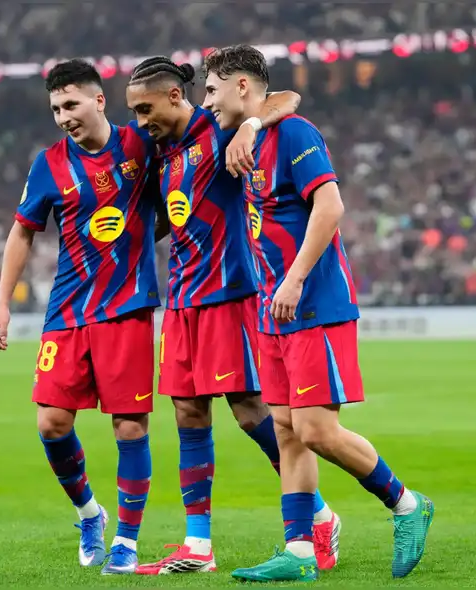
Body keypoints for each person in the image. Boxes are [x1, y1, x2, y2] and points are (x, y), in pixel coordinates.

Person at [201, 44, 434, 582]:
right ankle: (300, 551)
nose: (205, 100)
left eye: (212, 89)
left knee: (315, 430)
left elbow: (330, 207)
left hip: (313, 302)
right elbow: (269, 101)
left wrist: (295, 277)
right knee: (284, 428)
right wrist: (250, 123)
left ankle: (406, 504)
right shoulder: (239, 136)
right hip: (271, 309)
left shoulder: (297, 133)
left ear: (241, 87)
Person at [123, 56, 341, 575]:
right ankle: (197, 547)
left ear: (176, 96)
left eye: (145, 109)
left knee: (250, 412)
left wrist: (247, 123)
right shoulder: (159, 150)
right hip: (181, 298)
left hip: (231, 293)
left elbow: (284, 100)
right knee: (187, 414)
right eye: (133, 112)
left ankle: (319, 515)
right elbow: (173, 214)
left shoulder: (215, 125)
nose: (139, 121)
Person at [0, 60, 160, 576]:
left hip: (127, 307)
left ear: (100, 100)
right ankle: (90, 513)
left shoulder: (141, 145)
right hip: (68, 309)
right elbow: (22, 232)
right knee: (51, 421)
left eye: (71, 104)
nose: (63, 116)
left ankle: (126, 541)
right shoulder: (49, 165)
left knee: (130, 428)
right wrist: (3, 302)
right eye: (56, 109)